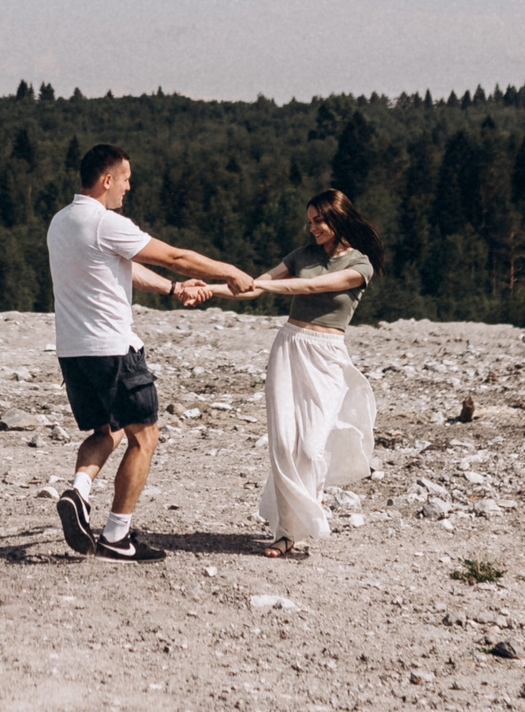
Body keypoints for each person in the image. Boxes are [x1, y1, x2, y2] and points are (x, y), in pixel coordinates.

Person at [47, 143, 256, 562]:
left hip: (74, 351)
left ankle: (79, 492)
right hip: (114, 351)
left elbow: (124, 266)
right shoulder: (106, 222)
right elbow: (176, 256)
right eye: (125, 178)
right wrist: (230, 270)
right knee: (145, 437)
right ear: (106, 180)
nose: (128, 186)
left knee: (107, 432)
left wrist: (173, 289)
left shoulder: (60, 222)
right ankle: (116, 536)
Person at [191, 188, 381, 558]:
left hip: (326, 356)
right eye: (309, 221)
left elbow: (313, 286)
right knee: (283, 444)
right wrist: (210, 290)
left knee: (310, 448)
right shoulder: (302, 255)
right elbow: (251, 289)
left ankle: (312, 503)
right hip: (289, 347)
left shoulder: (361, 265)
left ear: (338, 219)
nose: (312, 228)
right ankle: (286, 532)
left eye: (318, 221)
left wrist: (259, 283)